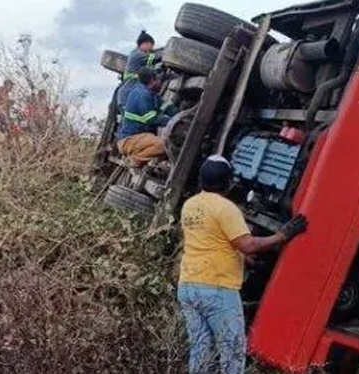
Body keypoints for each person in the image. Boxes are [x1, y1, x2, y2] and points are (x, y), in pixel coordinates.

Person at [177, 155, 308, 374]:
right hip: (217, 288)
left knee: (200, 349)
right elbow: (249, 244)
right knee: (233, 351)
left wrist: (242, 259)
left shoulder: (190, 205)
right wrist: (283, 235)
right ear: (228, 182)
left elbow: (210, 240)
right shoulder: (226, 208)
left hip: (189, 286)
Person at [116, 67, 175, 165]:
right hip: (129, 140)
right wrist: (172, 120)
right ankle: (133, 160)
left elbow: (167, 108)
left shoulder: (151, 94)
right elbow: (151, 120)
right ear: (152, 80)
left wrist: (180, 113)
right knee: (162, 145)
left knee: (167, 148)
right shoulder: (142, 95)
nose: (160, 81)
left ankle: (151, 163)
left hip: (140, 138)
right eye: (158, 79)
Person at [117, 31, 158, 109]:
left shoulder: (136, 53)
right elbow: (154, 57)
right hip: (127, 96)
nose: (151, 50)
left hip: (128, 95)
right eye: (151, 46)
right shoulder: (137, 54)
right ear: (145, 43)